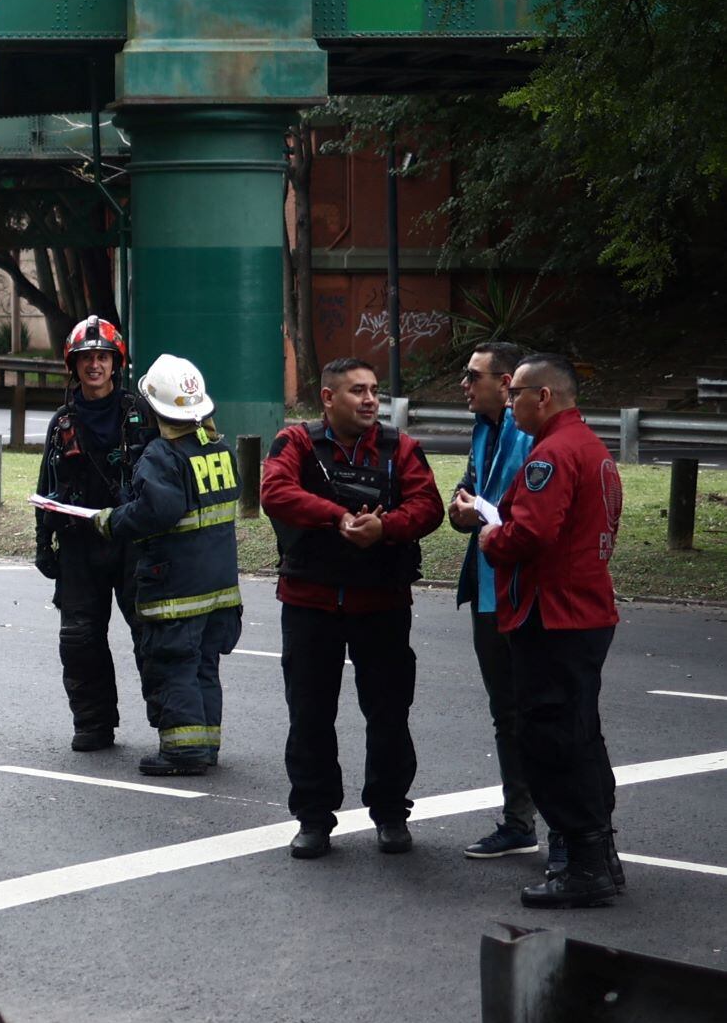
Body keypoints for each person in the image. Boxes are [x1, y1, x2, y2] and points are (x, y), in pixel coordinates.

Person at [260, 358, 444, 858]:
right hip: (309, 602)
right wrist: (338, 517)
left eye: (374, 391)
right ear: (327, 398)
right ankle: (314, 819)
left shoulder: (400, 448)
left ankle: (390, 814)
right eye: (357, 391)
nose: (369, 400)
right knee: (310, 716)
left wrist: (388, 528)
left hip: (381, 603)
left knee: (388, 714)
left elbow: (429, 506)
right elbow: (274, 492)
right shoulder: (296, 442)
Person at [476, 353, 625, 908]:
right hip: (583, 613)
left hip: (552, 614)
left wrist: (492, 539)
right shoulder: (588, 445)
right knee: (581, 735)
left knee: (553, 740)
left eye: (514, 392)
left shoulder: (554, 453)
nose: (508, 402)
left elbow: (530, 533)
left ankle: (584, 864)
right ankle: (599, 857)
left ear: (543, 397)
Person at [94, 354, 244, 781]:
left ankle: (183, 750)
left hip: (176, 586)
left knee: (173, 663)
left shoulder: (163, 455)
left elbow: (155, 512)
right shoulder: (219, 449)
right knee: (204, 663)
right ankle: (206, 743)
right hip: (219, 586)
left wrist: (110, 521)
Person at [33, 318, 154, 751]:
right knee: (79, 640)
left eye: (102, 357)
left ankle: (169, 725)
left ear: (115, 363)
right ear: (74, 365)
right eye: (86, 358)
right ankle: (93, 725)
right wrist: (42, 542)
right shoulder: (62, 421)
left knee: (150, 635)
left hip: (132, 543)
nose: (94, 365)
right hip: (79, 546)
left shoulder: (140, 414)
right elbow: (46, 484)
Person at [446, 339, 541, 859]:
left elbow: (534, 514)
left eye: (473, 376)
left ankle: (574, 831)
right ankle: (518, 821)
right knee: (506, 714)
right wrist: (461, 511)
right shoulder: (480, 431)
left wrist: (481, 511)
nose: (464, 385)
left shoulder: (531, 434)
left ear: (506, 384)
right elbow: (467, 493)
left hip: (528, 594)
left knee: (542, 712)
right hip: (488, 593)